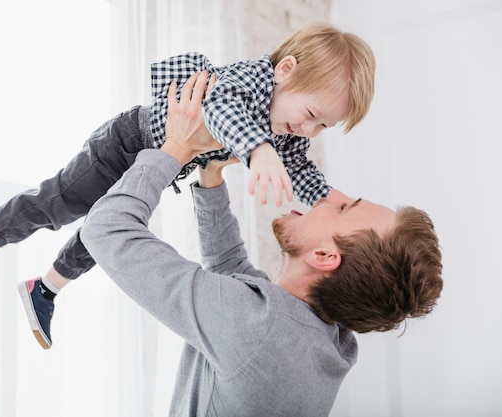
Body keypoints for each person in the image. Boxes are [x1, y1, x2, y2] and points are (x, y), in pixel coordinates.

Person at [0, 20, 376, 349]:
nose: (309, 129)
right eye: (312, 114)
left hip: (164, 165)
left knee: (105, 236)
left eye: (324, 126)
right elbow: (220, 108)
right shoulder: (251, 79)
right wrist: (259, 150)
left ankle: (46, 288)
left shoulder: (287, 129)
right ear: (284, 71)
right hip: (127, 143)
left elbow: (300, 167)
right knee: (60, 203)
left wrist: (330, 200)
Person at [80, 71, 443, 416]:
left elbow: (106, 229)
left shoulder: (259, 331)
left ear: (324, 256)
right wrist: (211, 174)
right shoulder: (327, 340)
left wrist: (175, 145)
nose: (335, 194)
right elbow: (235, 279)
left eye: (346, 207)